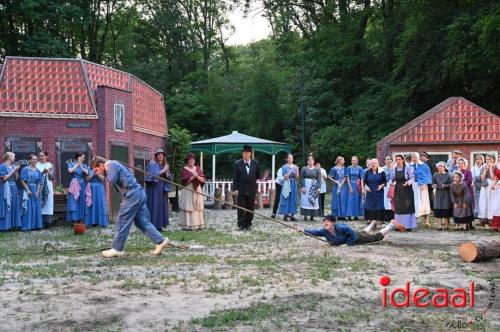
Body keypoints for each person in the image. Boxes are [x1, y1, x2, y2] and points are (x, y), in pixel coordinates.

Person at [90, 157, 170, 257]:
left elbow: (112, 180)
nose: (96, 173)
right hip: (138, 193)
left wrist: (107, 168)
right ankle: (160, 240)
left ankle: (117, 248)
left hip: (132, 194)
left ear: (101, 165)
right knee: (142, 222)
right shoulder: (113, 165)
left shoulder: (111, 165)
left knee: (122, 220)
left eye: (96, 170)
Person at [294, 215, 404, 246]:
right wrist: (302, 230)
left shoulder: (342, 228)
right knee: (363, 231)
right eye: (324, 222)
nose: (325, 224)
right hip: (355, 234)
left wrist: (348, 244)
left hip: (356, 238)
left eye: (327, 222)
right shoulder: (324, 231)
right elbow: (314, 232)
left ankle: (391, 225)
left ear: (333, 223)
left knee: (374, 238)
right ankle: (373, 223)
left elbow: (352, 236)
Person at [232, 145, 260, 230]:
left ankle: (248, 224)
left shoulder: (256, 163)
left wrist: (257, 188)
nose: (245, 155)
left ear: (250, 154)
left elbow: (257, 176)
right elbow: (235, 177)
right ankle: (241, 224)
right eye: (244, 153)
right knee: (241, 207)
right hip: (241, 188)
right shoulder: (237, 163)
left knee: (250, 207)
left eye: (247, 153)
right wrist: (236, 189)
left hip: (252, 188)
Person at [145, 149, 172, 231]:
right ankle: (152, 226)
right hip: (154, 189)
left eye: (162, 155)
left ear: (164, 156)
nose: (160, 156)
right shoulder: (152, 164)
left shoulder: (164, 164)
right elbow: (152, 176)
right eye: (158, 155)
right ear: (156, 156)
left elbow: (169, 178)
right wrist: (163, 170)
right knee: (154, 206)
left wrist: (167, 173)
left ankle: (160, 225)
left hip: (162, 188)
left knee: (162, 206)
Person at [179, 153, 206, 230]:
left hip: (197, 189)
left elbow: (203, 180)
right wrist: (192, 177)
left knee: (197, 206)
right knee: (189, 206)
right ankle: (188, 225)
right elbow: (184, 183)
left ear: (194, 161)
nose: (191, 161)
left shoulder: (198, 169)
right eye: (189, 160)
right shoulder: (184, 169)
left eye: (192, 160)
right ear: (187, 161)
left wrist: (197, 176)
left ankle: (198, 225)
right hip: (188, 189)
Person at [390, 154, 417, 231]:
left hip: (407, 189)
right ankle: (399, 226)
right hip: (398, 189)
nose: (398, 161)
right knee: (399, 207)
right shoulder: (394, 169)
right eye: (396, 159)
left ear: (403, 160)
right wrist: (391, 182)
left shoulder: (408, 168)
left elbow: (412, 178)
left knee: (407, 206)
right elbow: (391, 179)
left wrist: (408, 182)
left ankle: (408, 226)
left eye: (399, 159)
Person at [20, 154, 43, 231]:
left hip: (35, 190)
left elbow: (40, 182)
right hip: (28, 189)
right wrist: (28, 190)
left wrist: (37, 192)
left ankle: (35, 225)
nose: (35, 161)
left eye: (36, 159)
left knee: (36, 207)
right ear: (29, 160)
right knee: (28, 208)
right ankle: (27, 226)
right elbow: (22, 180)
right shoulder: (25, 169)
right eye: (33, 159)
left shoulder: (38, 170)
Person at [0, 152, 21, 230]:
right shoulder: (2, 166)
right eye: (13, 156)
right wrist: (14, 169)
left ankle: (12, 225)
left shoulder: (13, 166)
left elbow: (16, 178)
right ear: (9, 157)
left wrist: (16, 170)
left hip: (14, 187)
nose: (15, 158)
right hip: (6, 187)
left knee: (14, 205)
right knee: (6, 205)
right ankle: (4, 226)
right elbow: (4, 179)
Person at [67, 152, 89, 223]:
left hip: (82, 185)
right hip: (74, 185)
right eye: (82, 157)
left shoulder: (84, 165)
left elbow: (87, 173)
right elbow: (70, 171)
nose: (83, 158)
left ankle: (80, 219)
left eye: (84, 157)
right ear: (78, 157)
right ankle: (74, 220)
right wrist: (77, 165)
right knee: (73, 201)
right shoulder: (71, 164)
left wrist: (81, 166)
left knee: (81, 201)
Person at [411, 152, 432, 226]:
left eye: (415, 157)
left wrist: (424, 183)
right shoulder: (411, 166)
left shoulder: (424, 165)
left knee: (424, 202)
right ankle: (415, 219)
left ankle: (426, 220)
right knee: (415, 202)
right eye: (412, 157)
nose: (413, 158)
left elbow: (428, 176)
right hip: (414, 186)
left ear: (418, 157)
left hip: (422, 185)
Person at [363, 159, 386, 225]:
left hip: (379, 191)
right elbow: (364, 181)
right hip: (370, 191)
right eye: (371, 163)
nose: (373, 164)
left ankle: (380, 219)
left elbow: (385, 181)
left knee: (379, 205)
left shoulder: (381, 171)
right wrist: (366, 186)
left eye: (374, 163)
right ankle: (369, 219)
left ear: (377, 164)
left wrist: (382, 185)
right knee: (369, 204)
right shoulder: (367, 172)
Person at [36, 151, 54, 228]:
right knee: (40, 201)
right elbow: (36, 176)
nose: (41, 157)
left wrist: (49, 174)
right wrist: (42, 172)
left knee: (48, 202)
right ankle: (40, 222)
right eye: (40, 156)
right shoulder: (36, 164)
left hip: (48, 185)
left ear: (46, 156)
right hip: (39, 185)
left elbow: (52, 177)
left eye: (43, 156)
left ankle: (47, 222)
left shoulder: (49, 164)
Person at [300, 155, 321, 221]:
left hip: (314, 186)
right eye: (309, 161)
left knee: (313, 200)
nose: (310, 162)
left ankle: (312, 216)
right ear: (307, 162)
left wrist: (319, 187)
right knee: (305, 200)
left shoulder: (317, 169)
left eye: (312, 161)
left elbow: (319, 179)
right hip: (306, 185)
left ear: (314, 161)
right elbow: (302, 178)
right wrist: (303, 187)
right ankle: (305, 216)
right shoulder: (304, 168)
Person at [432, 162, 452, 230]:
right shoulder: (435, 175)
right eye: (438, 166)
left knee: (446, 208)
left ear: (444, 167)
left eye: (441, 166)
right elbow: (433, 183)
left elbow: (451, 185)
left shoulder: (448, 175)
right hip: (438, 193)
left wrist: (445, 185)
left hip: (446, 193)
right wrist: (434, 185)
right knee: (438, 208)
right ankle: (439, 226)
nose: (439, 168)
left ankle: (446, 226)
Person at [279, 154, 299, 221]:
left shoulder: (295, 166)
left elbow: (297, 177)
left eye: (292, 158)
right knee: (286, 197)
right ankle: (285, 214)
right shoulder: (284, 167)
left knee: (293, 198)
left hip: (293, 183)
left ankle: (292, 215)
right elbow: (284, 177)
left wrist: (296, 172)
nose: (291, 159)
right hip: (287, 182)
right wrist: (290, 172)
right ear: (287, 159)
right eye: (289, 158)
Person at [328, 156, 348, 220]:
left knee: (343, 200)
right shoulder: (334, 168)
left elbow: (346, 176)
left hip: (343, 186)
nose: (344, 161)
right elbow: (329, 176)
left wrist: (342, 183)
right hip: (336, 186)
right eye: (343, 160)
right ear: (339, 161)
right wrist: (335, 181)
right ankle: (337, 215)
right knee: (336, 200)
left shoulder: (344, 168)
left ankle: (343, 215)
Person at [478, 154, 496, 226]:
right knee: (483, 201)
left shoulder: (495, 166)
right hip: (484, 185)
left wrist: (491, 168)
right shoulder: (483, 166)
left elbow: (492, 178)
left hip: (491, 184)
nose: (488, 161)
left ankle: (491, 219)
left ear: (493, 159)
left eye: (489, 159)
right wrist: (485, 170)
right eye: (487, 159)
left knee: (491, 201)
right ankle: (484, 218)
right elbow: (482, 178)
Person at [457, 158, 474, 227]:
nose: (460, 165)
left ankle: (469, 224)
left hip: (467, 192)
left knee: (467, 207)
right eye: (459, 163)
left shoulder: (468, 171)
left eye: (462, 163)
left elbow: (469, 181)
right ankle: (461, 224)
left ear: (465, 164)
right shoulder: (456, 172)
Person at [346, 156, 363, 220]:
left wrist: (361, 187)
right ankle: (349, 215)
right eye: (352, 160)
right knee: (350, 200)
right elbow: (347, 178)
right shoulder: (349, 168)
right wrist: (350, 187)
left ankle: (356, 215)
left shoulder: (360, 168)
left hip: (357, 185)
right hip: (350, 184)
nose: (353, 161)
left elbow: (361, 178)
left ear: (357, 161)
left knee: (357, 200)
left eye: (354, 160)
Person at [471, 154, 484, 219]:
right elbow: (472, 177)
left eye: (480, 159)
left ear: (482, 160)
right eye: (477, 159)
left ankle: (482, 215)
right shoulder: (473, 168)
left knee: (483, 200)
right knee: (476, 200)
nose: (478, 160)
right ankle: (476, 213)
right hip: (476, 185)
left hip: (483, 185)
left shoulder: (484, 167)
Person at [382, 157, 394, 221]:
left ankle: (392, 216)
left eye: (390, 162)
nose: (389, 163)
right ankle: (386, 216)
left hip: (392, 186)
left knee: (391, 200)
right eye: (387, 161)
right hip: (385, 185)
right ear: (385, 162)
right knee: (385, 200)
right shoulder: (382, 169)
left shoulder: (394, 169)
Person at [491, 161, 500, 232]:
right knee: (497, 206)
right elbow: (496, 177)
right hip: (498, 189)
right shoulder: (498, 165)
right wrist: (493, 184)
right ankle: (496, 225)